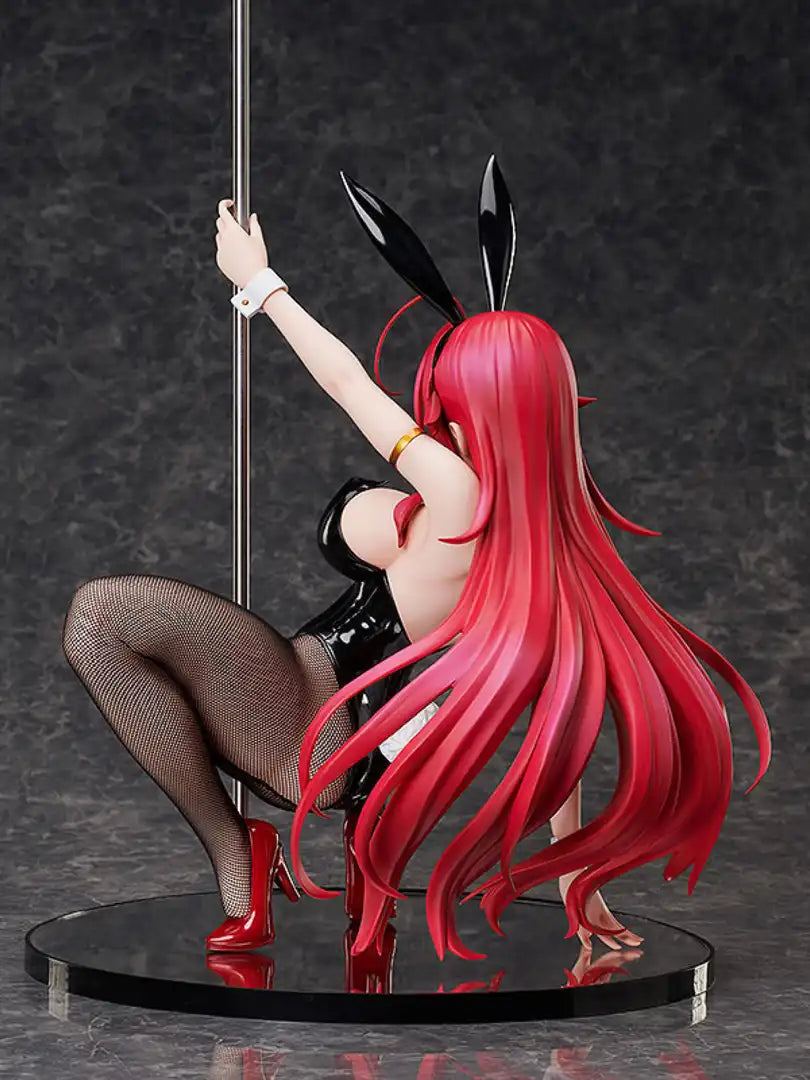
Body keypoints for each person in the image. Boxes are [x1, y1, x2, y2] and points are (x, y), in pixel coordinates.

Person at [62, 157, 770, 963]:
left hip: (307, 707)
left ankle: (236, 853)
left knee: (99, 619)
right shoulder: (549, 540)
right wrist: (580, 888)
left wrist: (260, 284)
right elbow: (562, 731)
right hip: (352, 743)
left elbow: (348, 385)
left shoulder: (461, 493)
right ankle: (272, 868)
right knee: (112, 625)